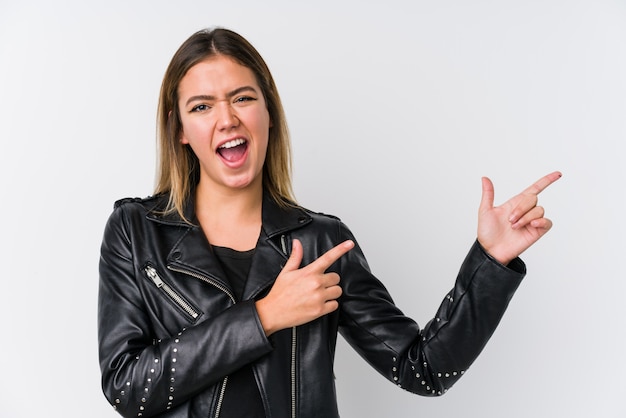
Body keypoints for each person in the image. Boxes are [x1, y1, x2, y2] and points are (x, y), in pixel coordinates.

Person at [98, 27, 561, 418]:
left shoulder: (323, 241)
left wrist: (489, 263)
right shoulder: (136, 231)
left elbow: (422, 370)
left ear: (269, 113)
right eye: (201, 106)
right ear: (179, 129)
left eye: (242, 97)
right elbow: (126, 387)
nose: (226, 119)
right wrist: (265, 317)